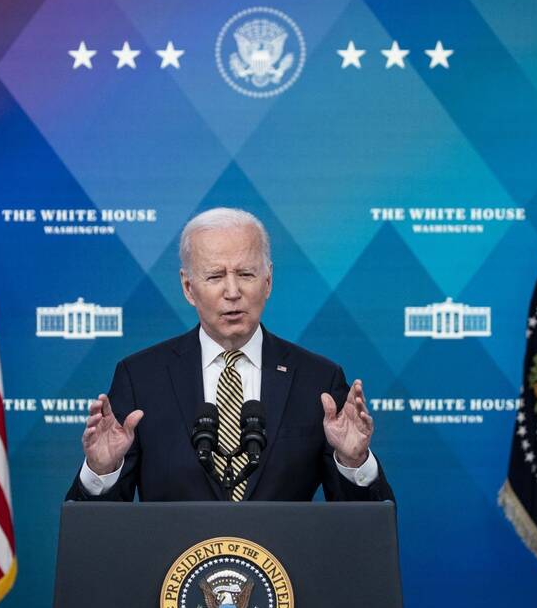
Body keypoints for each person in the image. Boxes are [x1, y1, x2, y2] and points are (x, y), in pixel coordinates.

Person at [68, 207, 393, 503]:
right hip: (174, 567)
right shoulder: (140, 378)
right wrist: (102, 470)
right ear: (188, 287)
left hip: (283, 566)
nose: (233, 292)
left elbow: (361, 530)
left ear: (268, 281)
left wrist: (353, 462)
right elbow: (101, 533)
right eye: (215, 276)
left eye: (246, 275)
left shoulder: (317, 380)